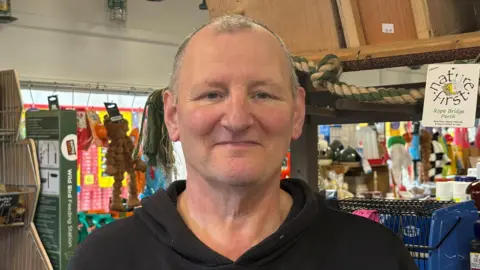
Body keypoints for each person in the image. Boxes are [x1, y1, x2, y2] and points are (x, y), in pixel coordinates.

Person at [68, 15, 417, 270]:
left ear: (297, 113)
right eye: (211, 94)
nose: (237, 120)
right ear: (173, 116)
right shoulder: (106, 259)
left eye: (263, 94)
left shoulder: (374, 257)